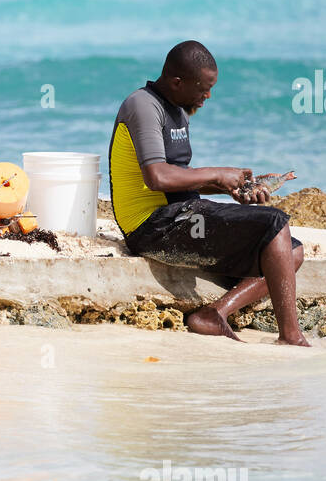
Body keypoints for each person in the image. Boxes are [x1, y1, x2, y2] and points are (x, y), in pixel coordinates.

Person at [107, 40, 310, 346]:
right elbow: (157, 177)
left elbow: (181, 177)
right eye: (203, 88)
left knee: (290, 250)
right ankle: (291, 337)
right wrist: (217, 173)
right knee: (275, 222)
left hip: (183, 216)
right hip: (151, 226)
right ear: (177, 82)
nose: (208, 96)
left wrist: (229, 188)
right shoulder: (143, 105)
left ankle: (214, 313)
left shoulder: (177, 110)